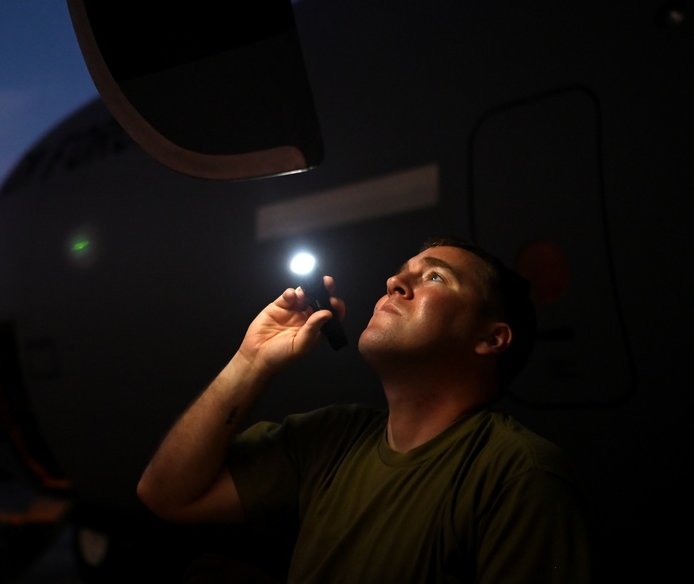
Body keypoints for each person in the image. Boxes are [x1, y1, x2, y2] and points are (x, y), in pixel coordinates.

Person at [137, 236, 591, 583]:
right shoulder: (333, 438)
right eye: (400, 274)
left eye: (434, 277)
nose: (395, 283)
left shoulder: (518, 476)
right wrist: (251, 361)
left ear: (491, 338)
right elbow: (167, 493)